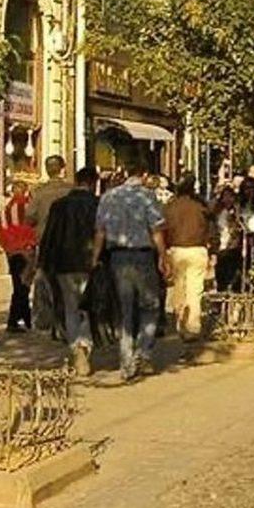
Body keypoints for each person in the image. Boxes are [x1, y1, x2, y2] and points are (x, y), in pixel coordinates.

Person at [94, 161, 168, 381]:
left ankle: (126, 361)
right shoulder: (147, 196)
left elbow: (100, 231)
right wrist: (163, 256)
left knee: (125, 309)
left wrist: (94, 259)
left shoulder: (108, 197)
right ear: (144, 175)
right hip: (143, 255)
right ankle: (143, 353)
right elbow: (156, 229)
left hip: (117, 257)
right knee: (149, 305)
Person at [40, 168, 100, 376]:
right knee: (88, 307)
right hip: (90, 264)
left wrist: (43, 264)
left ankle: (76, 348)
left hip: (64, 264)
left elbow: (50, 236)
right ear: (93, 183)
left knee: (70, 307)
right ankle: (85, 345)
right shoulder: (97, 205)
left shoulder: (59, 206)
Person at [26, 155, 71, 334]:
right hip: (67, 242)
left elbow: (29, 217)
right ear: (63, 169)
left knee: (44, 281)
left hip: (45, 242)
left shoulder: (39, 192)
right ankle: (65, 320)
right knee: (65, 283)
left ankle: (46, 319)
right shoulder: (70, 190)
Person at [163, 173, 211, 342]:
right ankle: (193, 326)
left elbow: (164, 228)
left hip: (177, 249)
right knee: (195, 289)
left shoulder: (172, 206)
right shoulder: (200, 205)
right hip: (198, 249)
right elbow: (209, 225)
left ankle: (180, 322)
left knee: (179, 288)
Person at [0, 178, 37, 332]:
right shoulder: (28, 207)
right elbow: (32, 228)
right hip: (26, 251)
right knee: (24, 286)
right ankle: (14, 320)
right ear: (26, 191)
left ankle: (25, 318)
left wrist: (7, 247)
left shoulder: (5, 209)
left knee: (18, 284)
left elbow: (0, 231)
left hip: (11, 252)